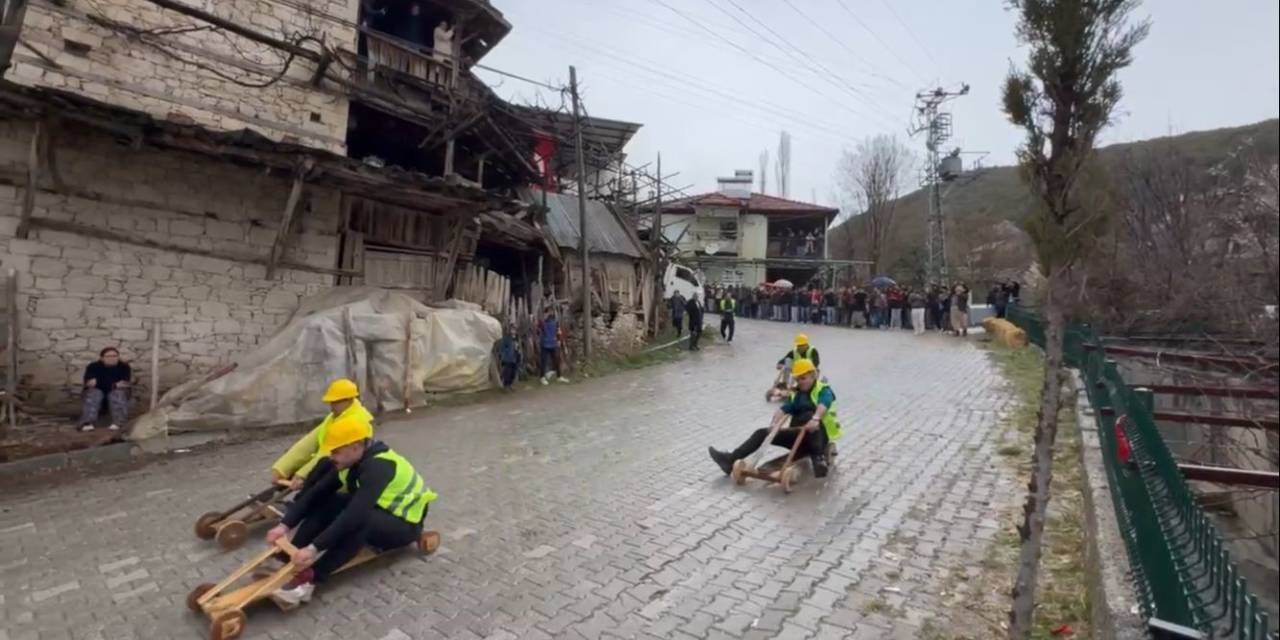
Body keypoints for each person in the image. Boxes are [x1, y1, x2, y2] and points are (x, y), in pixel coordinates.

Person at [267, 417, 437, 605]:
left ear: (355, 446)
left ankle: (310, 580)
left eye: (336, 451)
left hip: (406, 525)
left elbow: (355, 513)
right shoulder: (349, 461)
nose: (332, 456)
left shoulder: (380, 466)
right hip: (379, 510)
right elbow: (315, 494)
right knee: (330, 501)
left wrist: (314, 548)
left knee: (361, 522)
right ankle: (286, 559)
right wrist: (284, 526)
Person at [708, 358, 841, 478]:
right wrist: (774, 424)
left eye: (803, 378)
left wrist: (816, 418)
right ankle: (729, 461)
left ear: (813, 375)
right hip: (799, 435)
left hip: (819, 436)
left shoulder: (823, 390)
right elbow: (783, 409)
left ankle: (818, 459)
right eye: (798, 379)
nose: (800, 382)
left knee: (809, 416)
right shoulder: (797, 394)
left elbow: (824, 404)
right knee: (761, 433)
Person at [272, 378, 376, 489]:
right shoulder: (335, 417)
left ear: (349, 400)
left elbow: (328, 453)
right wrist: (282, 468)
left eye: (336, 402)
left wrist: (302, 475)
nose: (332, 406)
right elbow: (308, 444)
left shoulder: (357, 421)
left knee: (313, 495)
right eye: (331, 402)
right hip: (330, 470)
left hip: (344, 480)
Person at [78, 347, 132, 432]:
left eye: (115, 356)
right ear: (102, 358)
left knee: (117, 393)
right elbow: (90, 384)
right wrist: (113, 384)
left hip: (117, 392)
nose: (112, 358)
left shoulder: (124, 367)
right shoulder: (93, 367)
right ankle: (87, 423)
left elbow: (123, 384)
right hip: (96, 391)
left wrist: (101, 383)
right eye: (108, 356)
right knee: (94, 393)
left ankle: (119, 423)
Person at [539, 309, 568, 385]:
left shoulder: (555, 323)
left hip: (553, 344)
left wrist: (558, 340)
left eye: (550, 312)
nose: (549, 314)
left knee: (556, 361)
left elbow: (558, 332)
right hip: (545, 344)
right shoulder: (543, 323)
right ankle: (542, 377)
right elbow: (539, 330)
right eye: (547, 312)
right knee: (544, 362)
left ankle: (559, 376)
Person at [497, 325, 522, 391]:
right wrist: (504, 354)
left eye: (514, 330)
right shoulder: (507, 338)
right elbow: (502, 347)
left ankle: (510, 384)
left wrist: (518, 351)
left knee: (513, 373)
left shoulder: (517, 338)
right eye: (512, 329)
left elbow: (519, 347)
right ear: (510, 330)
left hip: (515, 357)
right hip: (508, 358)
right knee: (507, 372)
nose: (513, 331)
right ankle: (506, 386)